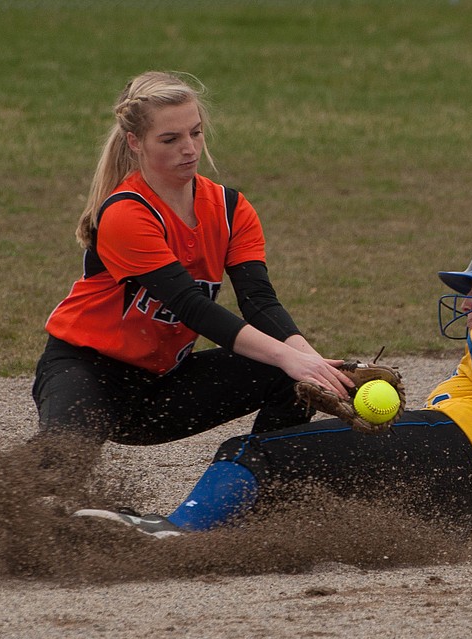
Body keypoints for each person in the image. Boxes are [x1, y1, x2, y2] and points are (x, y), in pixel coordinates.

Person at [75, 236, 472, 551]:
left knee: (250, 453)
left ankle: (175, 533)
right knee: (299, 472)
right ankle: (227, 533)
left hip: (447, 453)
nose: (468, 305)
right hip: (458, 519)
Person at [32, 71, 353, 450]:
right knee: (62, 461)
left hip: (162, 386)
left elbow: (259, 302)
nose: (189, 148)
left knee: (294, 378)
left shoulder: (232, 209)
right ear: (134, 142)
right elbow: (191, 306)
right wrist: (291, 356)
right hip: (86, 369)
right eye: (170, 139)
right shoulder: (127, 212)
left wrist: (317, 365)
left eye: (195, 133)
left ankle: (265, 493)